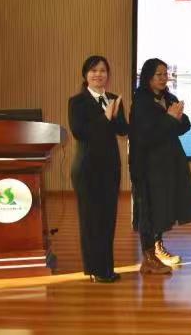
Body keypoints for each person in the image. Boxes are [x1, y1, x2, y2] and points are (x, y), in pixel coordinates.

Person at [129, 58, 191, 274]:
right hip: (147, 164)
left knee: (163, 206)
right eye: (158, 75)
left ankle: (158, 248)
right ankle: (148, 256)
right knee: (149, 208)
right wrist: (170, 119)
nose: (163, 78)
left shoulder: (169, 98)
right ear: (148, 77)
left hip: (169, 161)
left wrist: (176, 118)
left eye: (165, 74)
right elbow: (147, 135)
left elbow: (184, 125)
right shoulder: (141, 102)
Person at [67, 55, 128, 283]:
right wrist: (105, 117)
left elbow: (122, 130)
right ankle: (95, 269)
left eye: (102, 70)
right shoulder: (77, 102)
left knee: (108, 219)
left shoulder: (113, 99)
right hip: (87, 169)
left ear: (108, 75)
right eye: (93, 70)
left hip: (110, 167)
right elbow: (79, 132)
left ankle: (106, 267)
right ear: (85, 75)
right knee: (91, 220)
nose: (98, 74)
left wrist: (116, 116)